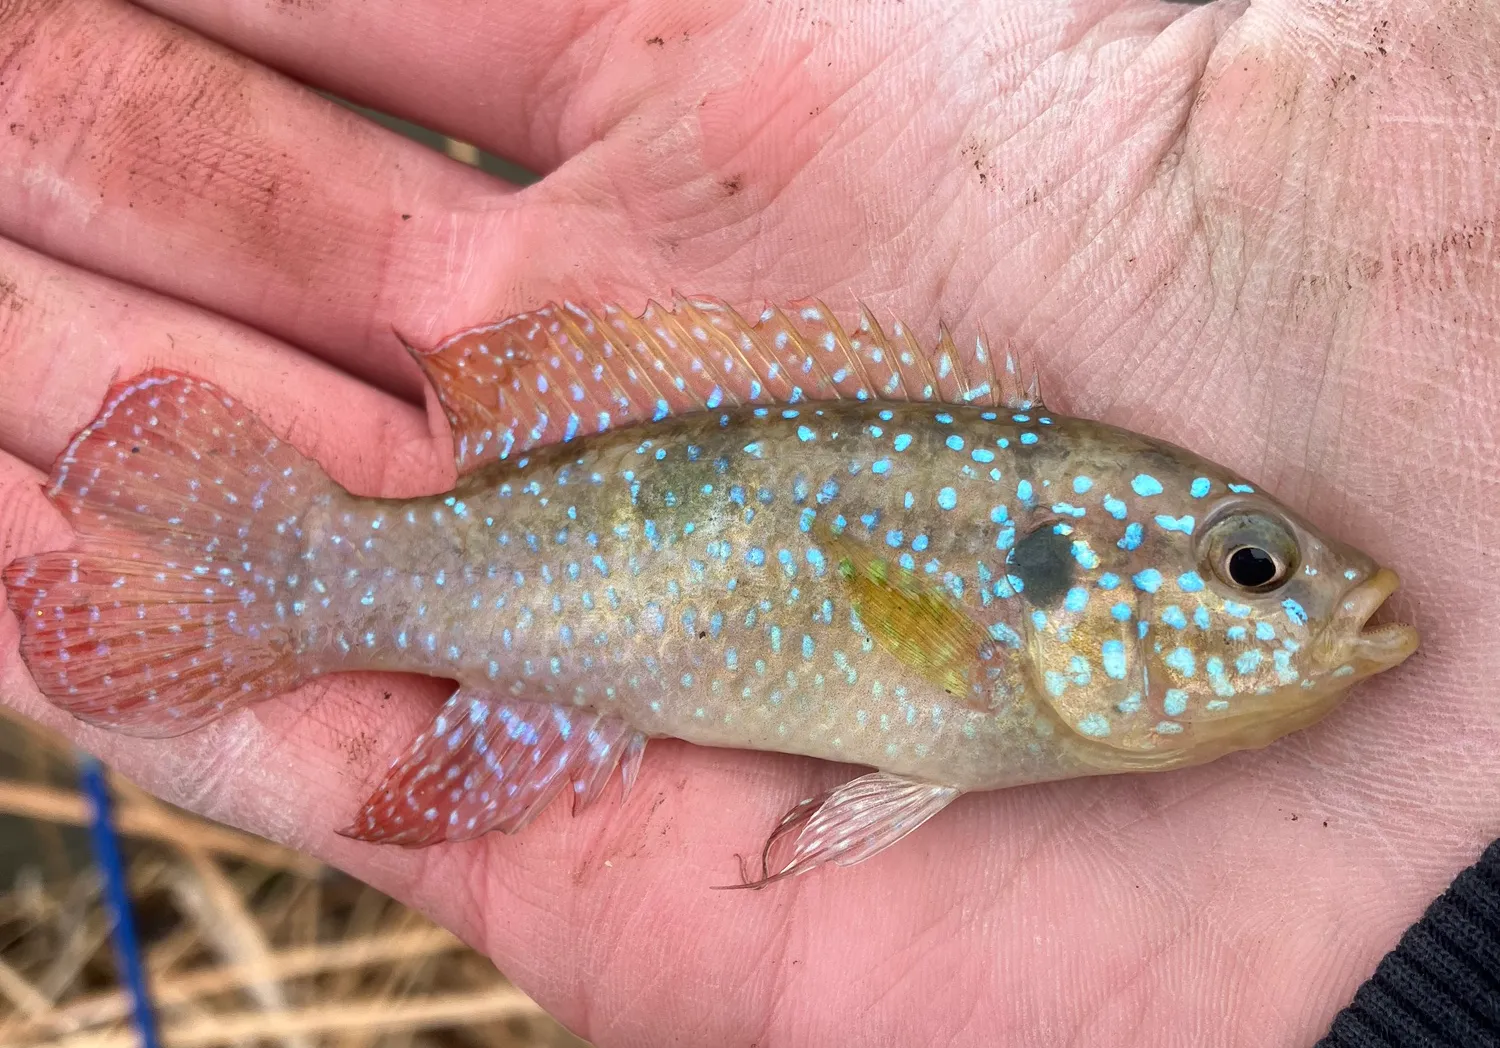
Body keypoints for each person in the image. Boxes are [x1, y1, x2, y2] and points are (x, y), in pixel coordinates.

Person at [0, 0, 1495, 1043]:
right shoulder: (1005, 644)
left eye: (1257, 567)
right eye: (1253, 567)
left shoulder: (1022, 629)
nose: (1310, 600)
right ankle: (299, 582)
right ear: (1058, 582)